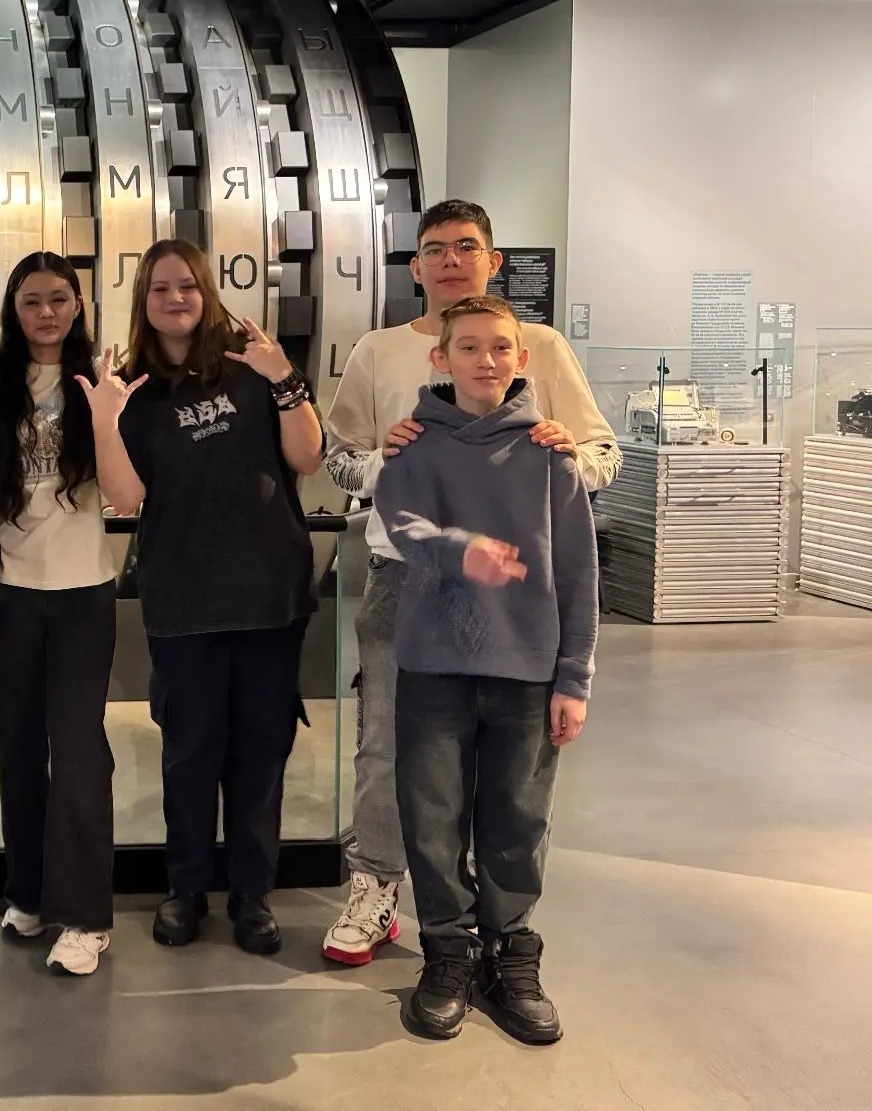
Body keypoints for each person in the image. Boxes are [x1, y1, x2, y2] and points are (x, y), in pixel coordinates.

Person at [319, 199, 618, 968]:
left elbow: (602, 453)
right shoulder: (380, 351)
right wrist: (390, 464)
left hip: (518, 595)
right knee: (390, 747)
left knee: (511, 768)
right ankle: (380, 889)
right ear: (416, 266)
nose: (451, 260)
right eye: (435, 249)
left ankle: (499, 926)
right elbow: (341, 457)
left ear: (492, 260)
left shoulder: (539, 347)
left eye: (466, 246)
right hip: (407, 582)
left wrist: (562, 462)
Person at [82, 239, 323, 955]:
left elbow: (308, 456)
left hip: (270, 595)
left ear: (206, 291)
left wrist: (286, 380)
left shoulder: (253, 367)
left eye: (187, 285)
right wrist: (104, 419)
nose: (176, 298)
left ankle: (252, 894)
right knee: (189, 753)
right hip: (183, 598)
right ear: (143, 301)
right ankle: (185, 888)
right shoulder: (136, 389)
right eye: (160, 288)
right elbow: (126, 499)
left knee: (261, 753)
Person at [373, 295, 597, 1044]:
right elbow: (402, 524)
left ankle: (510, 953)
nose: (486, 360)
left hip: (528, 671)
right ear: (441, 358)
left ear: (522, 358)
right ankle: (447, 952)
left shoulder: (549, 454)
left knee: (518, 818)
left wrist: (573, 678)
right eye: (468, 347)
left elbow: (578, 574)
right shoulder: (413, 448)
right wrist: (460, 551)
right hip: (433, 667)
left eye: (500, 347)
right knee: (432, 816)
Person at [0, 252, 118, 976]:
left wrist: (109, 417)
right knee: (19, 750)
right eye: (31, 301)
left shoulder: (103, 377)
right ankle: (28, 891)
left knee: (80, 751)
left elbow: (127, 492)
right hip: (9, 592)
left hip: (83, 590)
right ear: (13, 309)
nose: (46, 313)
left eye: (59, 299)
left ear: (78, 305)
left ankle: (88, 915)